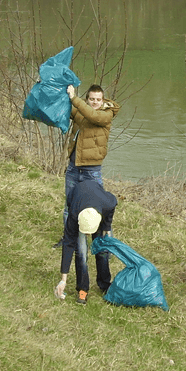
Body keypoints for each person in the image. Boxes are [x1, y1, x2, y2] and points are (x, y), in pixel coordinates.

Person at [52, 83, 120, 248]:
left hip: (92, 170)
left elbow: (93, 116)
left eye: (98, 99)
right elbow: (64, 106)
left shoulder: (106, 114)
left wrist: (74, 98)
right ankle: (69, 240)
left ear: (103, 100)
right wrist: (50, 87)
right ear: (87, 99)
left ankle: (105, 244)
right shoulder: (81, 111)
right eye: (92, 99)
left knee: (100, 207)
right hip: (74, 168)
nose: (95, 102)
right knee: (70, 206)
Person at [54, 180, 117, 305]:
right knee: (81, 253)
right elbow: (68, 245)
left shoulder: (107, 203)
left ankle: (104, 284)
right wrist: (63, 280)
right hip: (78, 200)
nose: (87, 235)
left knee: (102, 249)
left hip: (97, 202)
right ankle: (83, 289)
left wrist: (106, 227)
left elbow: (112, 207)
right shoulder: (73, 215)